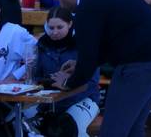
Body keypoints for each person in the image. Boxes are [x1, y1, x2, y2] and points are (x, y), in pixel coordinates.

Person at [47, 0, 151, 137]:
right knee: (132, 129)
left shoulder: (87, 7)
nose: (60, 5)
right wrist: (80, 65)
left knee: (112, 131)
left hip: (140, 66)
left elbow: (88, 58)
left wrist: (68, 83)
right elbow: (111, 42)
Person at [34, 7, 101, 136]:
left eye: (60, 27)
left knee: (71, 127)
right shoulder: (42, 45)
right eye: (51, 28)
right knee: (28, 123)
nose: (55, 32)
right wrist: (48, 82)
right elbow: (37, 76)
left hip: (83, 98)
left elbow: (92, 82)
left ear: (70, 24)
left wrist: (65, 91)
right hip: (51, 98)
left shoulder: (83, 44)